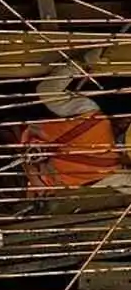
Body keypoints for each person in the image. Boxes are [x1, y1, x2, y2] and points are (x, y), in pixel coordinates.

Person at [22, 53, 131, 196]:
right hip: (83, 137)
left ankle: (82, 61)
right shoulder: (105, 165)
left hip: (80, 131)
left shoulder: (95, 124)